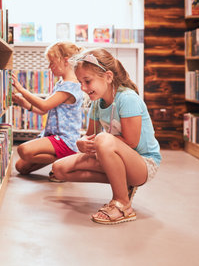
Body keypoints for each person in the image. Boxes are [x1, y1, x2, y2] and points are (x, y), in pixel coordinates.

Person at [51, 48, 161, 225]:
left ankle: (122, 204)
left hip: (143, 163)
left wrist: (99, 142)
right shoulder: (97, 103)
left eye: (87, 81)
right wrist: (81, 143)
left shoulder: (128, 99)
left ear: (108, 77)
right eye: (80, 82)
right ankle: (124, 186)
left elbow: (132, 142)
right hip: (113, 156)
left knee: (103, 139)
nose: (83, 88)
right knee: (59, 169)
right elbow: (90, 138)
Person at [11, 41, 84, 177]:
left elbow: (44, 105)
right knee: (21, 167)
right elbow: (44, 111)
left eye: (52, 63)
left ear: (65, 61)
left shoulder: (71, 87)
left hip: (64, 139)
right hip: (53, 136)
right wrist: (24, 103)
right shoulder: (61, 84)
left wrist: (21, 89)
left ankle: (70, 159)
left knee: (23, 150)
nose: (50, 67)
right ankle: (64, 160)